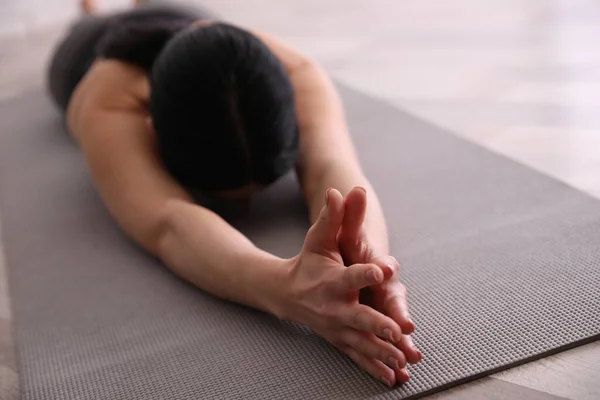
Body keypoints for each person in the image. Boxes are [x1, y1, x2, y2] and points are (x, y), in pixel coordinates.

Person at [47, 0, 422, 387]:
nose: (245, 206)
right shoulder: (107, 100)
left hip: (183, 17)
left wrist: (371, 263)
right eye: (226, 196)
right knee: (93, 20)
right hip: (93, 45)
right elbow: (168, 222)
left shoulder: (296, 70)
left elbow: (332, 165)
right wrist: (287, 289)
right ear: (152, 132)